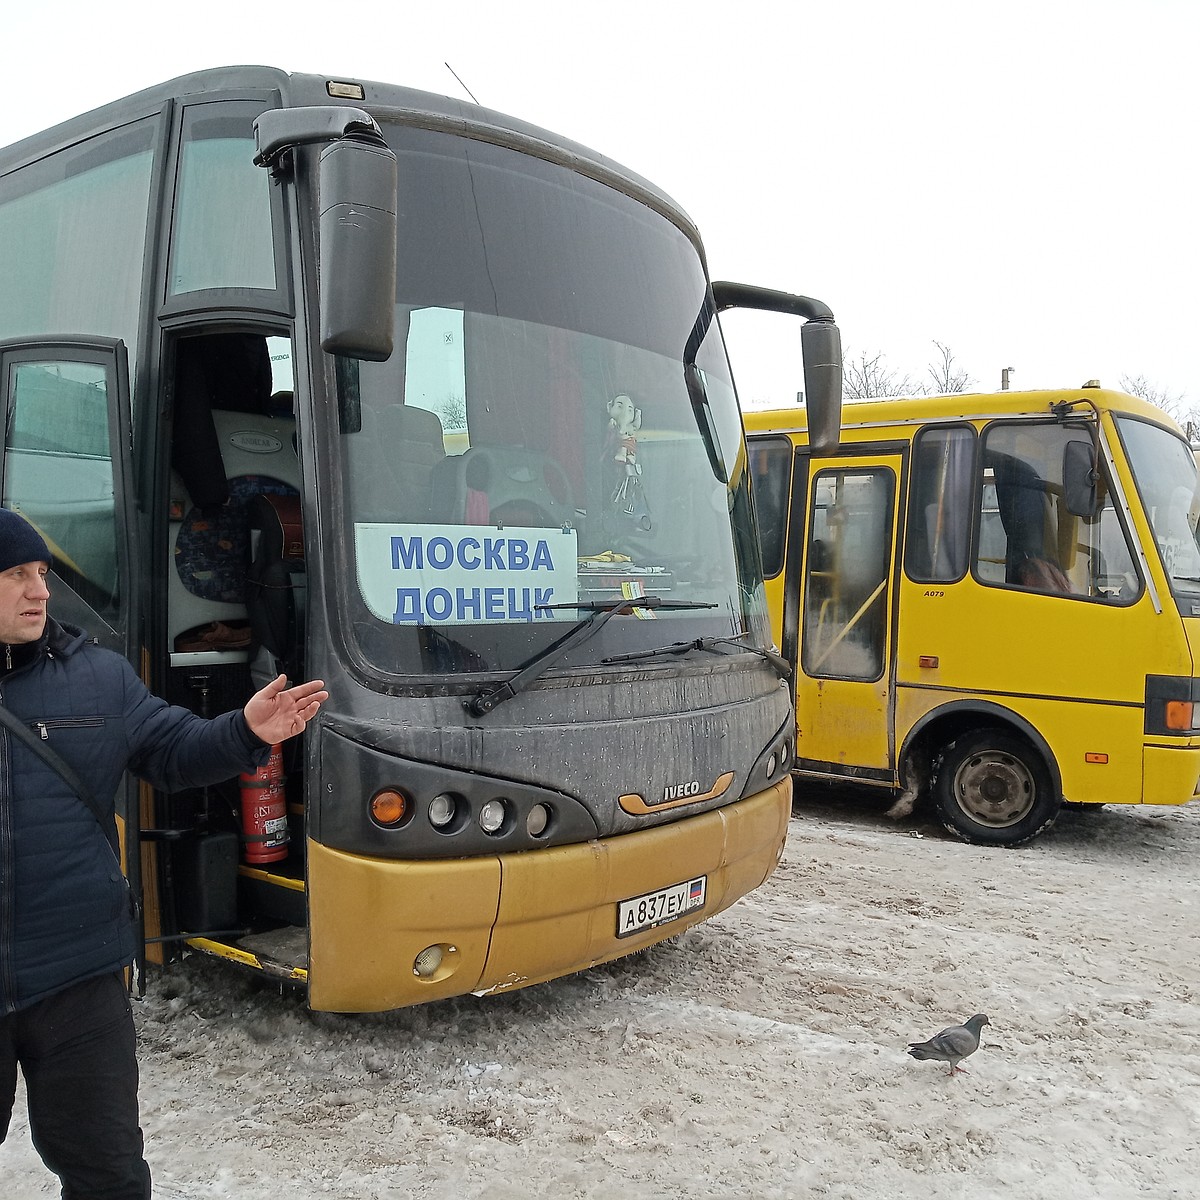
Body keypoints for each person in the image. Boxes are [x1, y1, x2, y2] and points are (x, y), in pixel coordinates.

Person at [0, 507, 328, 1199]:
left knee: (108, 1172)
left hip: (79, 978)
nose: (40, 591)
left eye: (41, 573)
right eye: (15, 575)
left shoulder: (97, 679)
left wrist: (243, 730)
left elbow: (172, 751)